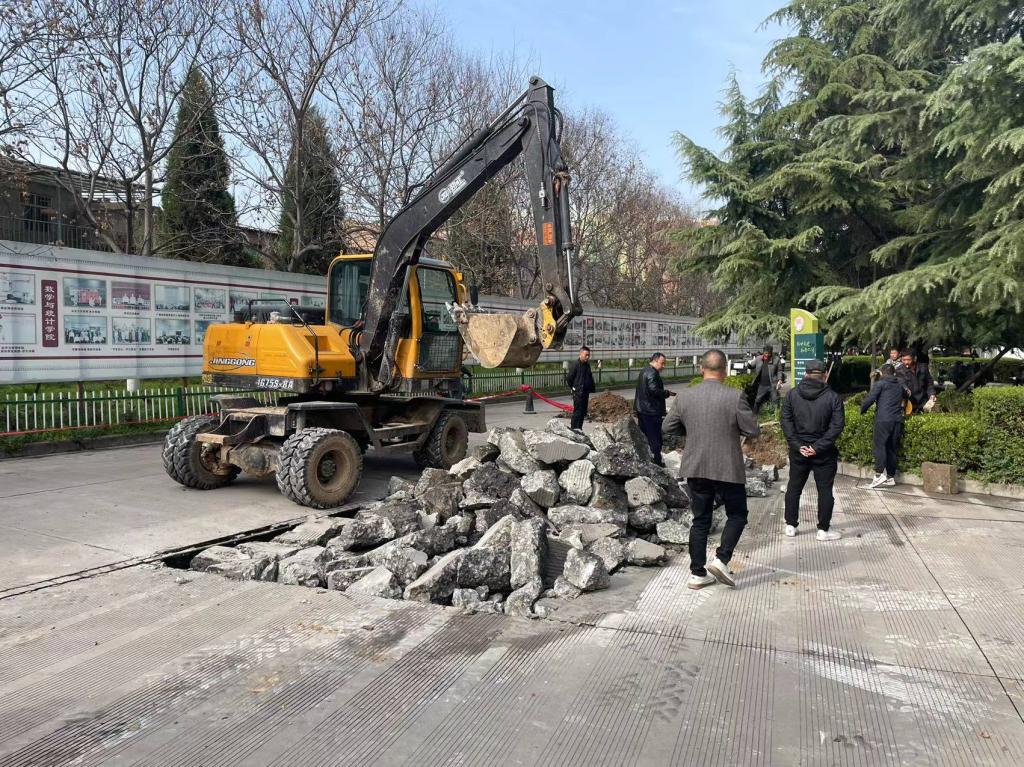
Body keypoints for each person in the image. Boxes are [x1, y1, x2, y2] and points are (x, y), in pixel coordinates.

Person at [663, 349, 760, 590]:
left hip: (696, 466)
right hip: (728, 467)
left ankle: (697, 574)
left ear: (701, 369)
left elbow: (667, 427)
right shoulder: (735, 396)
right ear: (725, 370)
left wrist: (692, 431)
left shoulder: (685, 397)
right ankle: (721, 559)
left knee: (700, 520)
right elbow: (752, 430)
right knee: (737, 514)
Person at [781, 359, 845, 540]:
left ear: (805, 374)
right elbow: (837, 426)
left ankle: (790, 525)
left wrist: (798, 445)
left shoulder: (792, 395)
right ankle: (823, 530)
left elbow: (786, 422)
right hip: (824, 453)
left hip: (799, 451)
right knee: (825, 491)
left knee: (794, 487)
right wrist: (817, 447)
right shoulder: (833, 397)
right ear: (825, 375)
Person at [860, 363, 910, 488]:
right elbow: (907, 394)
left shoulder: (880, 383)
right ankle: (890, 477)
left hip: (883, 419)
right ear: (894, 373)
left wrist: (862, 410)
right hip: (897, 420)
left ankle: (879, 475)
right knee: (891, 448)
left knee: (880, 446)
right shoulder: (900, 383)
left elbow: (870, 399)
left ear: (882, 372)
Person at [634, 352, 672, 465]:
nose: (663, 366)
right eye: (662, 363)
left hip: (642, 410)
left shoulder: (644, 371)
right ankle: (657, 461)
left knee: (645, 436)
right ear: (655, 361)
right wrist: (666, 393)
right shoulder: (652, 373)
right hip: (651, 411)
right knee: (655, 438)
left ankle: (646, 460)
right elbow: (653, 390)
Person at [565, 346, 595, 430]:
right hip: (578, 393)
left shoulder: (587, 365)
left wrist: (591, 387)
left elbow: (589, 377)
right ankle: (574, 429)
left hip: (585, 393)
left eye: (588, 355)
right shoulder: (576, 365)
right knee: (577, 412)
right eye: (586, 355)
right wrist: (574, 388)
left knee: (583, 412)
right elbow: (569, 378)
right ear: (581, 354)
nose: (587, 357)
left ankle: (579, 429)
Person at [747, 344, 783, 414]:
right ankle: (754, 415)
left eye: (768, 354)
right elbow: (751, 365)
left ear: (771, 353)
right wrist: (748, 365)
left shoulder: (776, 359)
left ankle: (777, 415)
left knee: (775, 400)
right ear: (763, 352)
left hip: (772, 384)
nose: (767, 355)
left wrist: (780, 379)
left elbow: (779, 370)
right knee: (757, 400)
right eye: (765, 353)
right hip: (762, 385)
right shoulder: (758, 358)